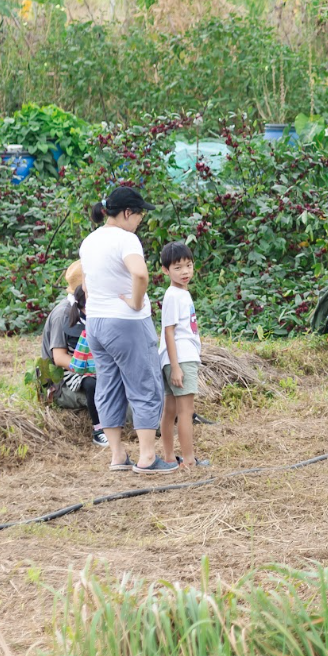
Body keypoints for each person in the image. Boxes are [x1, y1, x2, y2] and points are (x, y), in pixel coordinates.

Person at [80, 186, 177, 474]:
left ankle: (118, 456)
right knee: (145, 384)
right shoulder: (126, 239)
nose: (140, 221)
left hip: (96, 323)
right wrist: (135, 302)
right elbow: (141, 273)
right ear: (126, 213)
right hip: (127, 323)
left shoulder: (89, 241)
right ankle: (147, 457)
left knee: (108, 386)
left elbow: (86, 285)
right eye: (139, 215)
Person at [38, 261, 104, 445]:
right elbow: (60, 359)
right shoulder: (63, 314)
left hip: (85, 369)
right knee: (103, 395)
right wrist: (96, 368)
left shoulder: (87, 310)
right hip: (63, 382)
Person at [156, 241, 205, 468]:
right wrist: (175, 366)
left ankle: (168, 457)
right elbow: (169, 331)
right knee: (186, 411)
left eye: (188, 265)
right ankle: (188, 460)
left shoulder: (180, 293)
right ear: (165, 270)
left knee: (172, 409)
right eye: (177, 267)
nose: (185, 271)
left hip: (175, 358)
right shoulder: (174, 295)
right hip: (181, 358)